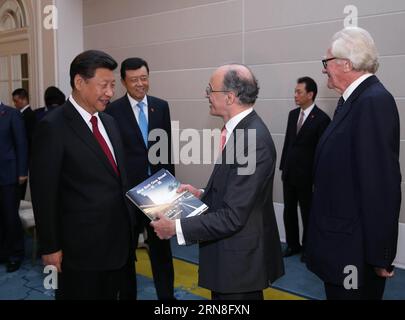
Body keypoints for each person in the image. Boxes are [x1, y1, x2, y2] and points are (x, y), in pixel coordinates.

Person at [151, 64, 284, 300]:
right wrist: (202, 193)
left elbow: (233, 216)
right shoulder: (241, 131)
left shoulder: (251, 140)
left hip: (239, 266)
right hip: (232, 260)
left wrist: (175, 227)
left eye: (210, 90)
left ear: (230, 97)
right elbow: (236, 190)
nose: (206, 95)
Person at [30, 50, 137, 300]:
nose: (110, 92)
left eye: (112, 85)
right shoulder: (52, 127)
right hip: (80, 253)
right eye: (104, 85)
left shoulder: (110, 122)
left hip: (119, 246)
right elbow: (44, 192)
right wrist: (50, 246)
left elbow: (119, 179)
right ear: (79, 82)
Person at [305, 27, 401, 300]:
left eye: (327, 62)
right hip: (341, 247)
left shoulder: (373, 102)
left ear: (345, 63)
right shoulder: (352, 101)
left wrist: (381, 255)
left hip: (355, 254)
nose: (324, 70)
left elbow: (381, 185)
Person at [106, 57, 175, 300]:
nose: (140, 84)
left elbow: (166, 150)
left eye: (144, 78)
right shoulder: (112, 111)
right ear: (124, 81)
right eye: (134, 80)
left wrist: (172, 189)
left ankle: (168, 299)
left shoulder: (161, 106)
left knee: (162, 251)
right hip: (127, 194)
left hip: (158, 192)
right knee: (126, 253)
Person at [279, 77, 330, 260]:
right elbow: (288, 143)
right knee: (289, 211)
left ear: (310, 94)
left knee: (308, 213)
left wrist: (319, 178)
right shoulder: (293, 115)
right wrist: (283, 166)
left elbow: (322, 152)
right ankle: (293, 245)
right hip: (290, 173)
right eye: (295, 91)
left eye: (299, 92)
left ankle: (309, 248)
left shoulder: (322, 119)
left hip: (308, 177)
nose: (295, 95)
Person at [0, 100, 28, 272]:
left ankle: (15, 254)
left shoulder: (11, 114)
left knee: (10, 217)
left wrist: (22, 171)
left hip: (8, 175)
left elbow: (21, 144)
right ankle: (2, 252)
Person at [12, 88, 36, 200]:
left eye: (16, 101)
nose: (15, 104)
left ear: (24, 99)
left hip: (26, 156)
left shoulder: (27, 116)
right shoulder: (27, 115)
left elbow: (27, 139)